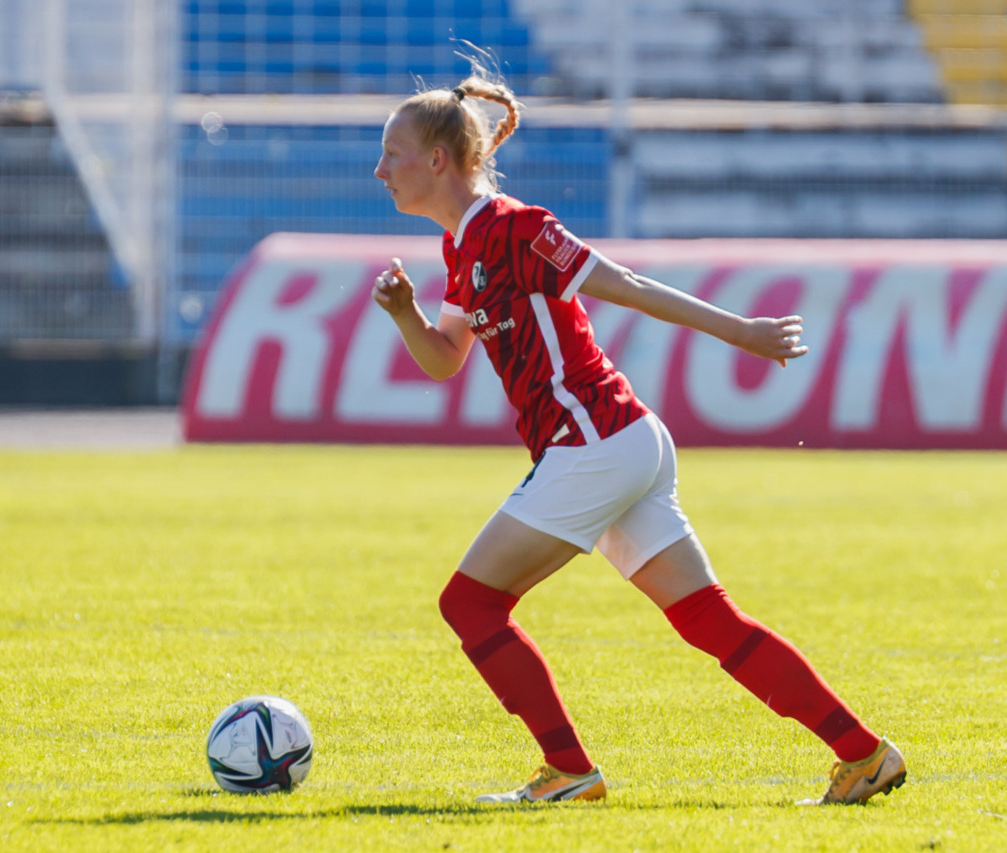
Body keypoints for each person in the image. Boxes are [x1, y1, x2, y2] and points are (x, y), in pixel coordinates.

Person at [370, 72, 906, 806]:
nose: (380, 169)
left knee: (470, 603)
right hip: (616, 442)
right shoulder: (462, 249)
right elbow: (444, 359)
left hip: (593, 442)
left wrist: (742, 332)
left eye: (391, 152)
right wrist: (404, 313)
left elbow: (626, 284)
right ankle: (863, 753)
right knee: (709, 619)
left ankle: (569, 770)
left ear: (437, 159)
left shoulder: (515, 228)